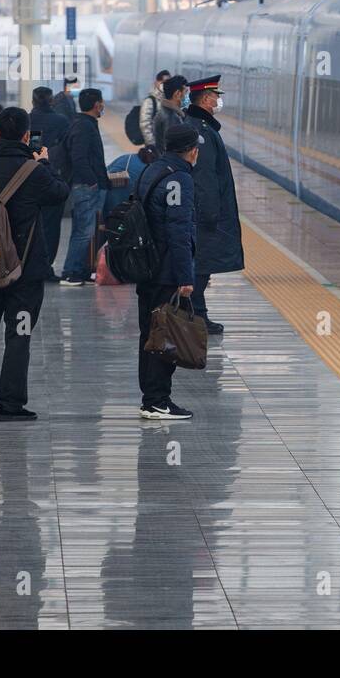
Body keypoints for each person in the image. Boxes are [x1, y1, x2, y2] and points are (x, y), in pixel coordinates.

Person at [0, 107, 70, 422]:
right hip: (24, 271)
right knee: (18, 334)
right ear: (25, 135)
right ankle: (10, 404)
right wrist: (45, 162)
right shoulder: (34, 171)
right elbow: (60, 194)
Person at [136, 123, 199, 421]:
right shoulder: (180, 179)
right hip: (165, 271)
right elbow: (178, 231)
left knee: (149, 333)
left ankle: (150, 398)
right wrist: (185, 277)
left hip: (146, 266)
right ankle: (158, 400)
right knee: (164, 334)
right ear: (190, 150)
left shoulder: (152, 169)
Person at [183, 75, 244, 336]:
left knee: (202, 265)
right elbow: (205, 176)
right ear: (206, 99)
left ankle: (197, 313)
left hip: (203, 211)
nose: (218, 100)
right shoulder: (201, 132)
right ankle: (196, 315)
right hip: (205, 214)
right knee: (201, 265)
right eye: (216, 96)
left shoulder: (201, 127)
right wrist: (209, 213)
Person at [59, 88, 110, 286]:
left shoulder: (84, 123)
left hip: (89, 185)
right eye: (102, 102)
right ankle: (70, 272)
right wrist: (92, 181)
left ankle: (80, 270)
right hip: (86, 187)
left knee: (86, 230)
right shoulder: (83, 126)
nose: (103, 105)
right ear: (97, 104)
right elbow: (78, 157)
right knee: (83, 231)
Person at [28, 86, 72, 282]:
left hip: (30, 178)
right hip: (54, 177)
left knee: (31, 225)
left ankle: (31, 266)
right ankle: (46, 266)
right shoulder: (61, 121)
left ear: (33, 101)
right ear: (52, 101)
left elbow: (33, 147)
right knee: (52, 226)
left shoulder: (29, 120)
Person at [152, 74, 188, 155]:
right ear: (178, 94)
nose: (187, 96)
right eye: (186, 92)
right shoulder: (171, 118)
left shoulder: (166, 112)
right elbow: (173, 150)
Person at [140, 70, 170, 147]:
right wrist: (152, 144)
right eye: (164, 82)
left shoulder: (168, 100)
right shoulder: (150, 101)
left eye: (168, 83)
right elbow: (145, 124)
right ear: (156, 82)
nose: (166, 85)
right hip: (155, 147)